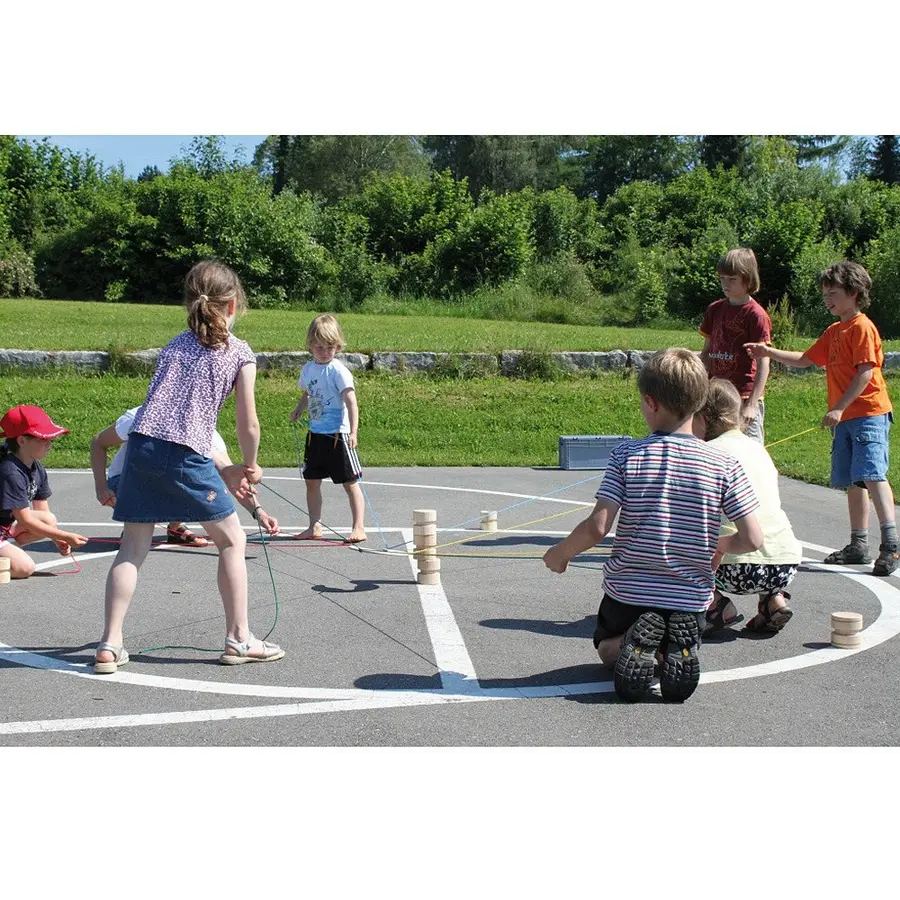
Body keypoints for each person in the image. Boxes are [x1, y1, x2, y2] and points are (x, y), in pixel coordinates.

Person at [94, 260, 284, 674]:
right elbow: (247, 421)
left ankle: (109, 644)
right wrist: (250, 464)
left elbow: (170, 408)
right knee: (232, 541)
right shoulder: (239, 352)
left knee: (132, 547)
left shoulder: (174, 346)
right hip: (185, 454)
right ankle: (239, 638)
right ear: (233, 306)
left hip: (141, 448)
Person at [543, 349, 763, 703]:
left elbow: (599, 526)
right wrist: (721, 546)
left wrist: (561, 553)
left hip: (629, 594)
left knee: (605, 649)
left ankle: (636, 643)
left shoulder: (626, 455)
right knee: (677, 624)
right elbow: (753, 538)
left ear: (650, 402)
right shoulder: (723, 464)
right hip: (690, 600)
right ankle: (675, 646)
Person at [745, 261, 898, 576]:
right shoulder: (835, 330)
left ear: (855, 294)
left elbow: (866, 372)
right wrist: (767, 352)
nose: (827, 299)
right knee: (854, 481)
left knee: (872, 475)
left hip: (869, 414)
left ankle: (891, 544)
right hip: (845, 419)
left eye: (834, 293)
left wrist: (839, 407)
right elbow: (805, 359)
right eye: (825, 294)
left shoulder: (863, 327)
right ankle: (858, 545)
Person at [693, 379, 802, 634]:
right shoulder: (758, 449)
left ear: (702, 419)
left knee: (681, 539)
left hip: (733, 567)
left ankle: (715, 605)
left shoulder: (708, 453)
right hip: (784, 563)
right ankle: (773, 601)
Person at [90, 407, 280, 540]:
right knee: (137, 541)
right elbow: (98, 442)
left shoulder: (208, 435)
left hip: (169, 484)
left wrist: (259, 512)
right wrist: (101, 487)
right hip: (126, 482)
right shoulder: (139, 418)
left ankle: (175, 527)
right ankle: (134, 526)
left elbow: (231, 478)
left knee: (202, 480)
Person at [289, 313, 366, 543]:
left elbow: (351, 401)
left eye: (330, 347)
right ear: (311, 345)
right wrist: (299, 409)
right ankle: (314, 526)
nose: (325, 351)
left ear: (337, 346)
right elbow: (308, 393)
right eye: (320, 347)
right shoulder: (309, 369)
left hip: (338, 436)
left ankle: (358, 527)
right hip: (316, 435)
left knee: (350, 482)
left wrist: (353, 432)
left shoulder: (338, 371)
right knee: (311, 481)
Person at [0, 405, 89, 578]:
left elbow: (42, 513)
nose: (49, 444)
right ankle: (8, 550)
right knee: (25, 569)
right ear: (22, 441)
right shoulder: (10, 472)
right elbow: (25, 521)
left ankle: (7, 548)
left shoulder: (36, 467)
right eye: (43, 439)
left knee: (49, 520)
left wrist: (58, 539)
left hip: (5, 527)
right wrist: (66, 535)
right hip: (7, 527)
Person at [700, 247, 772, 444]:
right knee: (713, 447)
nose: (725, 284)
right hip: (716, 394)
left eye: (732, 279)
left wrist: (752, 403)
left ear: (747, 279)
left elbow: (764, 363)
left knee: (748, 447)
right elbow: (706, 352)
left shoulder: (756, 315)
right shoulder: (714, 309)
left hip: (744, 395)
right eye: (722, 278)